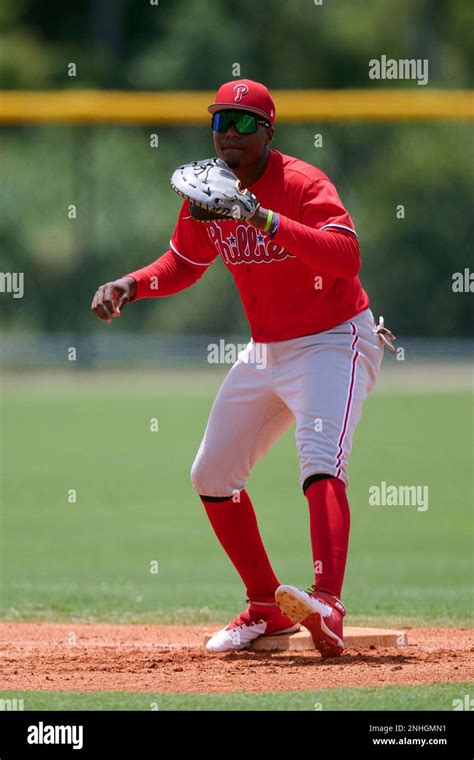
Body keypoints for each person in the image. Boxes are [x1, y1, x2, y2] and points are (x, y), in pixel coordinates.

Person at [91, 79, 393, 658]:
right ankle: (265, 607)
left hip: (334, 341)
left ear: (268, 131)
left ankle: (327, 601)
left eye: (244, 122)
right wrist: (132, 284)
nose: (230, 132)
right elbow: (183, 262)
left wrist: (263, 218)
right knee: (212, 474)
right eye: (221, 122)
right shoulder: (206, 192)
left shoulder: (302, 184)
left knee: (320, 458)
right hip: (267, 351)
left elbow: (346, 256)